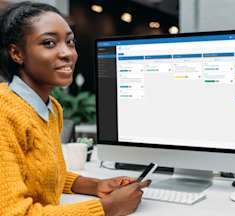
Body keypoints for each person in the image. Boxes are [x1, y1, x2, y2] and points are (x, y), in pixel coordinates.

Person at [0, 2, 150, 216]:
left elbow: (42, 175)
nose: (67, 53)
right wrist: (107, 208)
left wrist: (95, 185)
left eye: (70, 42)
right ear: (17, 53)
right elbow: (13, 213)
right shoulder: (4, 113)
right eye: (49, 43)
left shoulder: (52, 109)